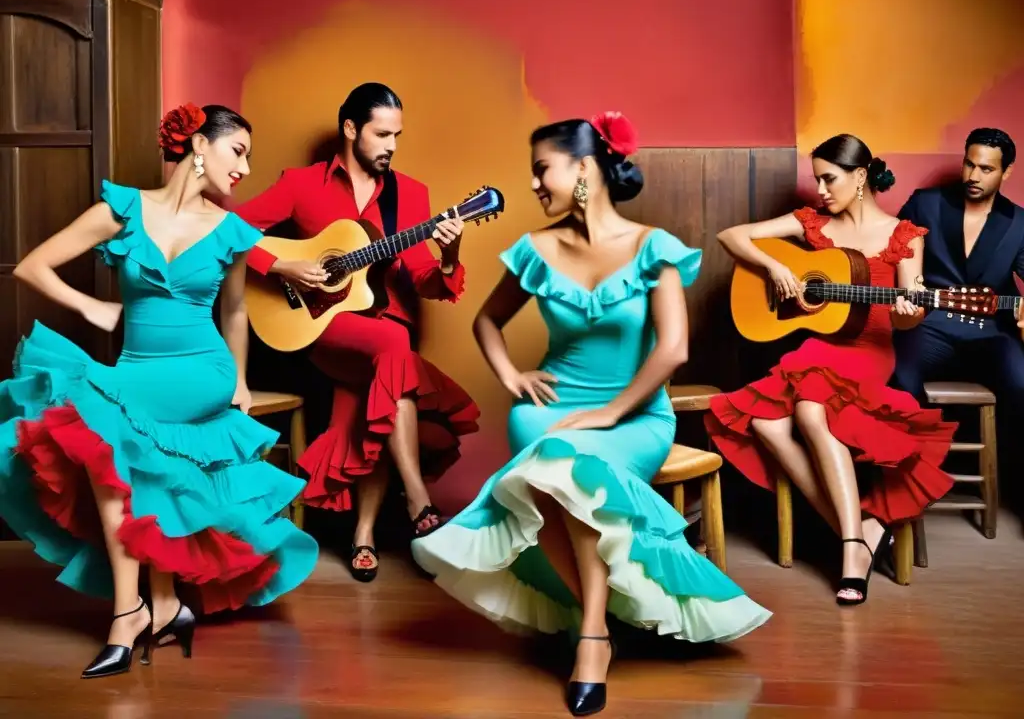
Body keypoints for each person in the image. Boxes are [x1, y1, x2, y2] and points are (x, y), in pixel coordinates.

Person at [412, 113, 771, 717]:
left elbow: (673, 349)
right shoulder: (538, 249)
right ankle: (597, 627)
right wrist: (513, 378)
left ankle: (593, 636)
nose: (532, 184)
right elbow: (486, 322)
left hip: (634, 418)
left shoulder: (651, 247)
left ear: (583, 169)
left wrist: (610, 414)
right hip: (551, 410)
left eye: (540, 169)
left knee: (566, 465)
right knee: (552, 456)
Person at [0, 103, 318, 679]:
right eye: (238, 151)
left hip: (203, 371)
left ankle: (128, 613)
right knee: (121, 455)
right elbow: (32, 266)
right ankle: (162, 605)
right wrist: (91, 305)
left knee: (106, 432)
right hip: (138, 367)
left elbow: (237, 311)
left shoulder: (231, 231)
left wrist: (241, 382)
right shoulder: (123, 210)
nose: (245, 167)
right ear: (199, 144)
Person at [231, 83, 479, 582]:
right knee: (395, 348)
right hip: (319, 328)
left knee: (382, 382)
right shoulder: (302, 184)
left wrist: (448, 256)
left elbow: (426, 281)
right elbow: (229, 230)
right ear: (350, 129)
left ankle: (362, 535)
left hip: (381, 330)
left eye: (397, 135)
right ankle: (419, 501)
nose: (391, 145)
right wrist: (283, 267)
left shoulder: (410, 195)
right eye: (382, 133)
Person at [706, 134, 957, 606]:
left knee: (807, 411)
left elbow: (912, 309)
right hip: (821, 349)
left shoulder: (903, 235)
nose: (820, 188)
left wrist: (909, 312)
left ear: (860, 177)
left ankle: (847, 552)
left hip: (870, 351)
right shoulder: (813, 224)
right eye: (817, 177)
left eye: (829, 178)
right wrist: (774, 268)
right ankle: (858, 532)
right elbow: (732, 236)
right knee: (763, 421)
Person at [892, 129, 1024, 414]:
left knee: (1022, 383)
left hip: (994, 334)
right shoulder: (925, 203)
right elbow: (890, 252)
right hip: (930, 326)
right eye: (969, 164)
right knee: (899, 379)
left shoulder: (1019, 222)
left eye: (986, 169)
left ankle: (1008, 460)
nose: (973, 176)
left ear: (1007, 171)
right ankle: (915, 456)